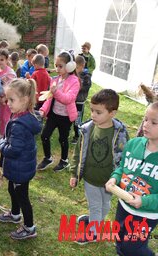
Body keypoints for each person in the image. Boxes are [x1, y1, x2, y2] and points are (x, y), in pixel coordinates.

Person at [69, 89, 129, 244]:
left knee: (105, 203)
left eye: (98, 112)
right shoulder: (87, 129)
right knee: (95, 205)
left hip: (110, 180)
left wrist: (119, 178)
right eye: (92, 111)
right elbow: (78, 152)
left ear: (112, 113)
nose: (93, 115)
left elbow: (125, 157)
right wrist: (74, 174)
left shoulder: (120, 133)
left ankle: (95, 225)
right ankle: (94, 229)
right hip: (91, 178)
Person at [105, 101, 158, 256]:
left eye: (154, 122)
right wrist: (114, 178)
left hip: (146, 213)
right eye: (145, 119)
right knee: (120, 239)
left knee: (133, 247)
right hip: (124, 205)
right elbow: (123, 167)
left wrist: (144, 201)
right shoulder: (133, 144)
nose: (146, 125)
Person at [0, 78, 42, 240]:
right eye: (7, 99)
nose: (7, 103)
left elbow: (13, 150)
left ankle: (29, 227)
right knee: (12, 189)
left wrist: (0, 143)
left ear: (24, 100)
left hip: (20, 167)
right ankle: (15, 214)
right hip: (20, 167)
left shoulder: (19, 125)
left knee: (23, 198)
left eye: (11, 100)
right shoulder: (23, 116)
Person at [37, 50, 80, 172]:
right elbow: (49, 98)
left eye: (60, 66)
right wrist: (43, 110)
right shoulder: (55, 80)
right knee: (45, 135)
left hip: (66, 117)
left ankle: (64, 160)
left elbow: (68, 99)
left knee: (63, 138)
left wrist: (56, 91)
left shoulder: (74, 81)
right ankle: (48, 158)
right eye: (56, 66)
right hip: (54, 114)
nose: (57, 68)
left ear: (70, 66)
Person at [0, 49, 17, 142]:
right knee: (1, 116)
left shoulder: (10, 73)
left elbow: (12, 88)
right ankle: (3, 132)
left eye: (2, 60)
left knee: (5, 117)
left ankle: (4, 135)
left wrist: (4, 98)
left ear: (7, 60)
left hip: (7, 99)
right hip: (0, 98)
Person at [71, 55, 92, 144]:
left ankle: (77, 136)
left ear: (82, 66)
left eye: (77, 67)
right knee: (68, 119)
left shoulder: (86, 77)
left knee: (77, 121)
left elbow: (86, 87)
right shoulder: (72, 75)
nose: (75, 69)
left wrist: (76, 86)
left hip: (79, 102)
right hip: (71, 101)